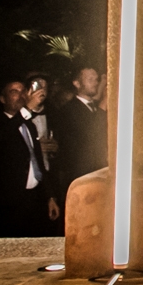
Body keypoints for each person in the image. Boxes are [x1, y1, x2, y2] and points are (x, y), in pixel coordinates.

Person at [0, 79, 60, 235]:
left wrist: (50, 196)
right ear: (2, 99)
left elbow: (37, 161)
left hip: (34, 199)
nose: (20, 96)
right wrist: (26, 110)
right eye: (14, 92)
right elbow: (0, 140)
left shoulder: (29, 125)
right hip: (8, 204)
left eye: (23, 91)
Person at [51, 64, 108, 200]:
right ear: (77, 83)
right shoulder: (70, 110)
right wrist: (105, 101)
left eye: (96, 79)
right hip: (80, 175)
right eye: (90, 79)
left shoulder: (93, 106)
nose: (95, 83)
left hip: (97, 170)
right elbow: (90, 134)